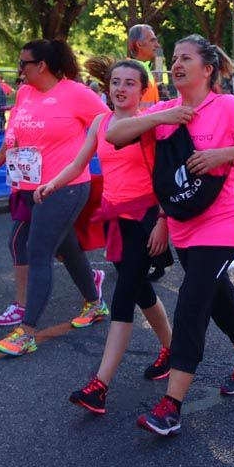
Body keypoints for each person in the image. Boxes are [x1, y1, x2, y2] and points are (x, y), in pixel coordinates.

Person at [106, 34, 234, 436]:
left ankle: (171, 405)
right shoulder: (166, 111)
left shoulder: (226, 107)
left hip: (222, 219)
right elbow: (115, 137)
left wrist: (224, 155)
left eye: (186, 58)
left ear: (207, 69)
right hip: (184, 223)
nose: (176, 64)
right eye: (173, 58)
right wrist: (158, 119)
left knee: (192, 299)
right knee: (219, 297)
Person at [33, 57, 174, 414]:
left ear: (144, 90)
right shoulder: (100, 121)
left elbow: (167, 175)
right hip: (115, 217)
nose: (121, 89)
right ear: (107, 87)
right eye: (116, 82)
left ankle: (99, 385)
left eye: (130, 83)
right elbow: (79, 163)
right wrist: (51, 184)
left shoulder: (149, 123)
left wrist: (163, 219)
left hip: (144, 217)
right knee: (141, 290)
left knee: (124, 297)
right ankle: (173, 350)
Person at [0, 39, 109, 356]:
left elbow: (110, 126)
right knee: (67, 248)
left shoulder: (76, 94)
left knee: (38, 250)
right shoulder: (25, 94)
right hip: (29, 188)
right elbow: (12, 141)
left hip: (65, 188)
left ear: (41, 66)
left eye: (23, 64)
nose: (19, 70)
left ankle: (27, 332)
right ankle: (95, 303)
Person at [127, 24, 161, 109]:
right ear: (139, 44)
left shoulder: (143, 68)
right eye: (152, 40)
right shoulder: (131, 71)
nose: (157, 45)